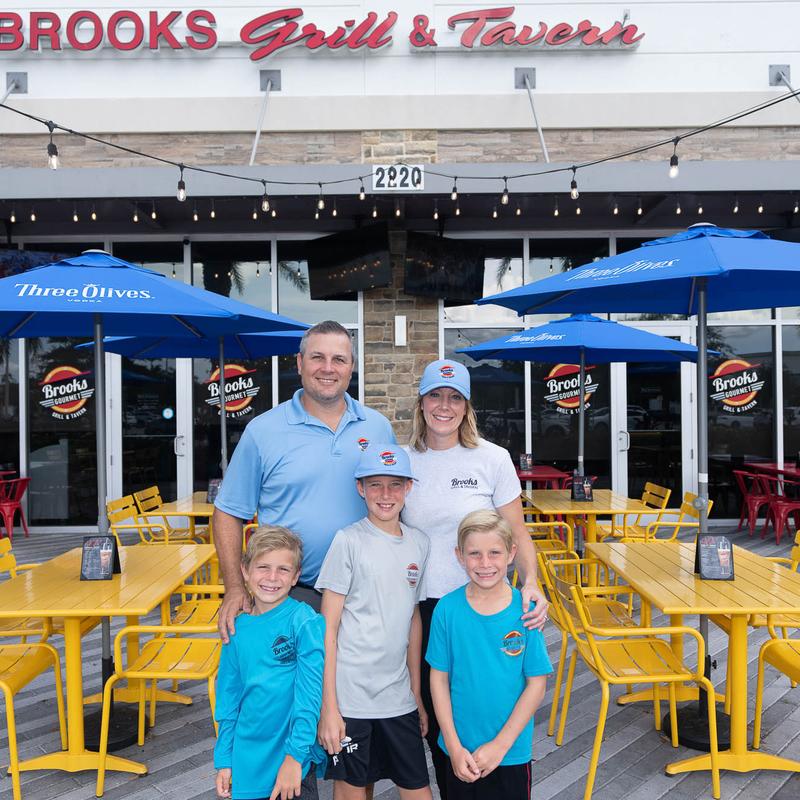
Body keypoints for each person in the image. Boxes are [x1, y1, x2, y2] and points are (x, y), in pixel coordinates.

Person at [400, 358, 548, 798]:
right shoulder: (404, 461)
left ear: (467, 407)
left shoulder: (492, 458)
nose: (444, 406)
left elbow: (517, 531)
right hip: (428, 610)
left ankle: (497, 763)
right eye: (435, 396)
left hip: (489, 608)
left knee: (496, 699)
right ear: (421, 402)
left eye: (455, 398)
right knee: (438, 720)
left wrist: (532, 583)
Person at [213, 319, 396, 637]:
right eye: (317, 357)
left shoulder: (378, 428)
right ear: (299, 363)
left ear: (351, 367)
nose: (328, 368)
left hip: (365, 594)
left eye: (339, 359)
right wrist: (234, 587)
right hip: (289, 596)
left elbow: (396, 501)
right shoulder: (263, 431)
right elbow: (228, 512)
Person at [315, 445, 432, 800]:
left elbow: (412, 618)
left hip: (398, 697)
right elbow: (327, 629)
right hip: (351, 699)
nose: (385, 494)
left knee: (418, 789)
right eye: (375, 484)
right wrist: (329, 708)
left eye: (395, 484)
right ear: (360, 488)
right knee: (353, 790)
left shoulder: (419, 543)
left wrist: (416, 694)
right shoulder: (348, 541)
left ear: (408, 487)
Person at [426, 510, 552, 800]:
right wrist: (454, 747)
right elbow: (438, 680)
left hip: (510, 753)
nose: (485, 563)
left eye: (494, 553)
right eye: (474, 554)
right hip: (459, 752)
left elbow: (536, 684)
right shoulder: (446, 609)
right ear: (459, 556)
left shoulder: (526, 612)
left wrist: (500, 746)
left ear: (511, 554)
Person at [214, 526, 327, 800]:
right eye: (263, 567)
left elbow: (309, 696)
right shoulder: (236, 630)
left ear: (296, 576)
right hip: (247, 761)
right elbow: (228, 699)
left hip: (293, 759)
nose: (272, 578)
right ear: (245, 571)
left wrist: (295, 757)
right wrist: (224, 758)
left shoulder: (304, 621)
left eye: (283, 569)